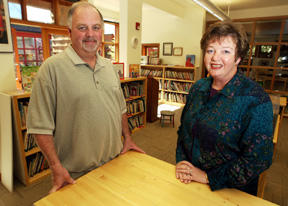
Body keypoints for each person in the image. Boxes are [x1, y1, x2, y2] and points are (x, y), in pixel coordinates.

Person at [27, 2, 144, 194]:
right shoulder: (51, 69)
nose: (90, 34)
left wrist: (128, 138)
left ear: (101, 31)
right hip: (75, 175)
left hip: (115, 163)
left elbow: (120, 108)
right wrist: (56, 167)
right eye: (82, 28)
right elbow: (40, 126)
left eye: (96, 28)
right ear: (69, 32)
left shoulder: (110, 67)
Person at [175, 21, 273, 196]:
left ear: (238, 58)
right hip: (189, 182)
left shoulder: (255, 99)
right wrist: (182, 163)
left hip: (230, 192)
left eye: (225, 51)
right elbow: (184, 131)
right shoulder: (197, 88)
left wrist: (207, 177)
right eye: (210, 50)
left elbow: (258, 159)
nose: (215, 58)